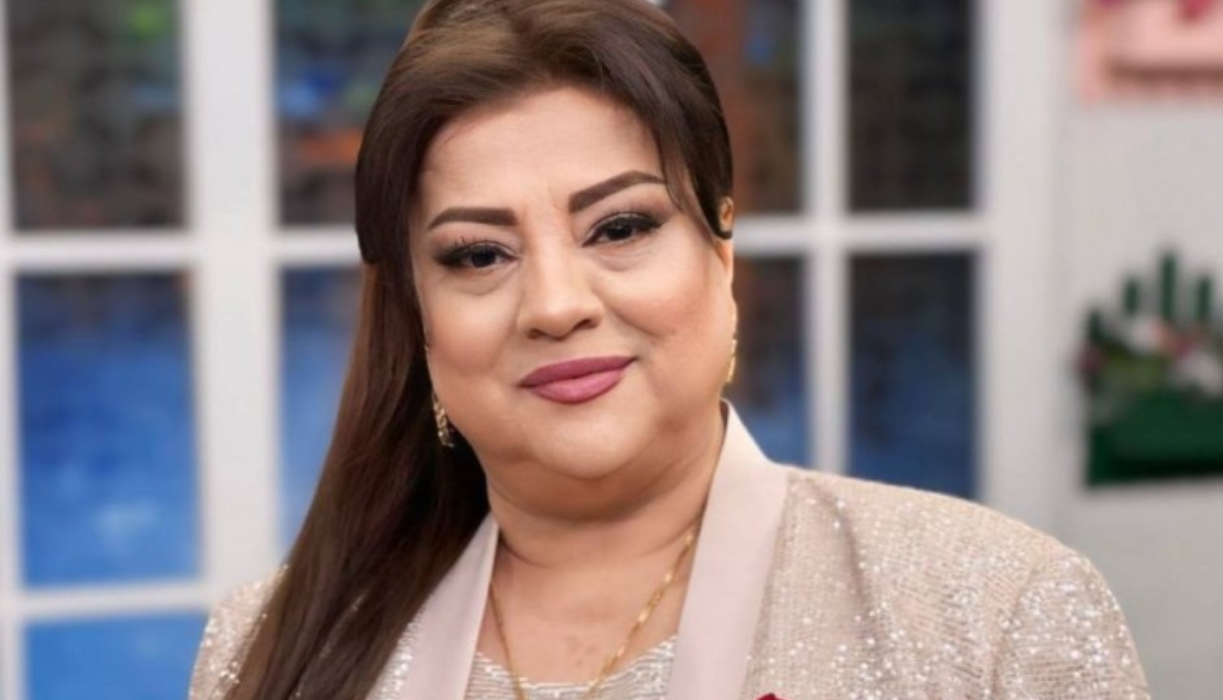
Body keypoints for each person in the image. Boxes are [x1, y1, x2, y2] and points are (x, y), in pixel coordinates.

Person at [189, 0, 1150, 698]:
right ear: (417, 315)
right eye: (479, 254)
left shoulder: (993, 613)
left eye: (620, 228)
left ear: (720, 256)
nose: (556, 306)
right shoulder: (267, 653)